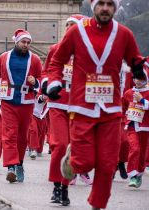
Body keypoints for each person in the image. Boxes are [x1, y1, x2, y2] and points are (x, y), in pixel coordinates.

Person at [46, 0, 144, 209]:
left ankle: (97, 205)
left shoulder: (124, 34)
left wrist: (138, 69)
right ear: (94, 7)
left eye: (110, 4)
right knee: (84, 162)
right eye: (101, 3)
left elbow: (135, 58)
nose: (105, 8)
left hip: (111, 109)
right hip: (82, 107)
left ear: (115, 8)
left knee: (108, 165)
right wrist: (54, 83)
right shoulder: (76, 32)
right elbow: (57, 61)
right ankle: (73, 159)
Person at [42, 14, 89, 205]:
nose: (69, 27)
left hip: (78, 106)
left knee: (74, 149)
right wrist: (47, 85)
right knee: (60, 145)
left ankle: (65, 187)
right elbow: (46, 71)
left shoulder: (88, 51)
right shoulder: (56, 49)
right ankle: (56, 186)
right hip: (58, 103)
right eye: (67, 25)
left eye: (73, 25)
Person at [0, 29, 42, 183]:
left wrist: (35, 82)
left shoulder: (35, 59)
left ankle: (19, 164)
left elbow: (41, 78)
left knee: (22, 136)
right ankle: (11, 166)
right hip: (8, 99)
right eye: (23, 42)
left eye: (28, 42)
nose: (26, 45)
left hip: (27, 101)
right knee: (9, 134)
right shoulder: (4, 57)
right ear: (16, 42)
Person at [122, 70, 149, 188]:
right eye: (136, 78)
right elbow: (123, 107)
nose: (138, 81)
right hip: (132, 125)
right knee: (135, 148)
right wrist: (124, 120)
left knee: (142, 153)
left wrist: (142, 100)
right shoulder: (128, 93)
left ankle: (138, 174)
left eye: (141, 78)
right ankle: (132, 175)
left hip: (145, 127)